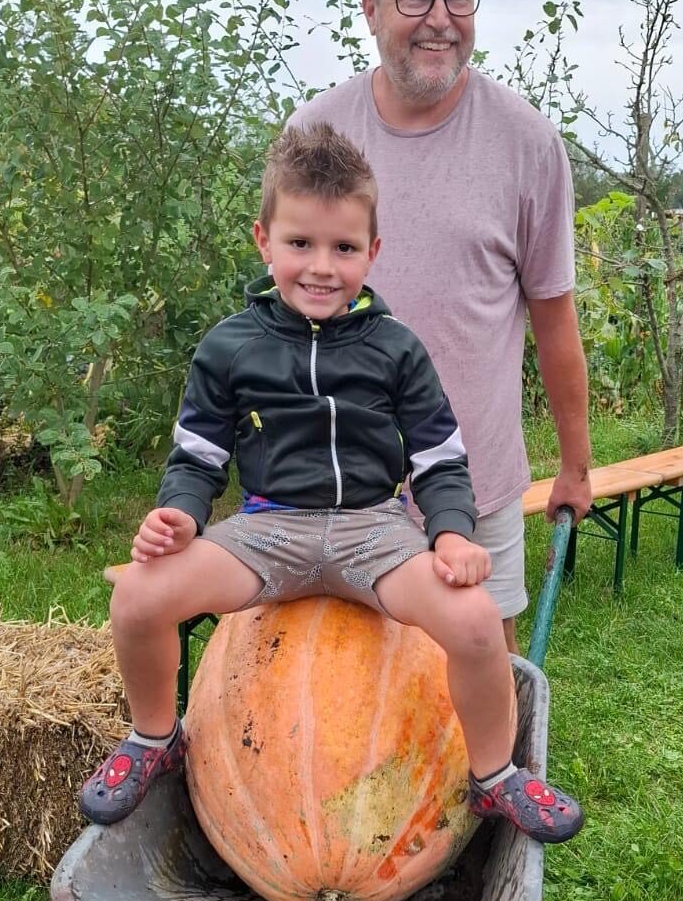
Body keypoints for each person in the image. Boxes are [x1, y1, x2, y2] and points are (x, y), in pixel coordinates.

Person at [79, 124, 583, 844]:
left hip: (373, 530)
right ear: (264, 241)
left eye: (344, 249)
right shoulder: (229, 346)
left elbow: (440, 456)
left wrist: (448, 532)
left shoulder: (396, 348)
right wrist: (179, 516)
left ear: (372, 252)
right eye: (300, 245)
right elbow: (196, 455)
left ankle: (495, 776)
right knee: (137, 596)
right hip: (267, 530)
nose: (321, 267)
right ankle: (157, 739)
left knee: (475, 623)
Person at [288, 0, 595, 650]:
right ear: (369, 7)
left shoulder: (526, 142)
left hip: (478, 488)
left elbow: (554, 321)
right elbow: (286, 308)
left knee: (477, 709)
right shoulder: (317, 132)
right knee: (344, 710)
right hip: (338, 495)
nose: (440, 20)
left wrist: (576, 465)